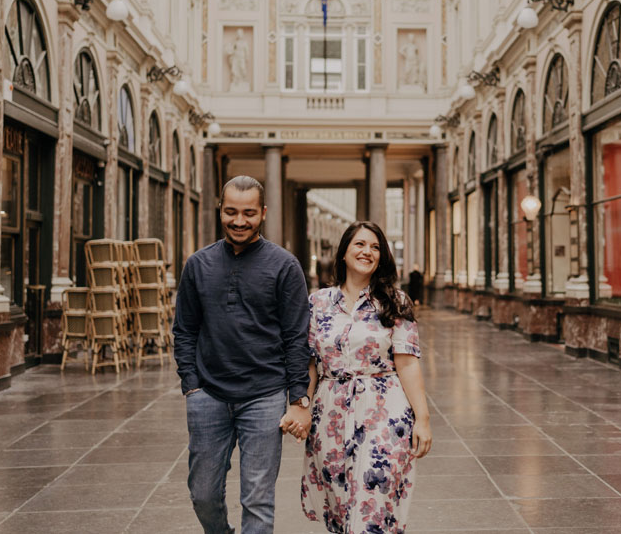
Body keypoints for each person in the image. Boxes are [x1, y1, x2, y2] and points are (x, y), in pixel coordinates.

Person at [173, 175, 312, 534]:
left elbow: (297, 337)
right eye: (231, 211)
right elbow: (185, 329)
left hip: (264, 396)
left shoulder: (284, 266)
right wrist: (191, 384)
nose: (239, 220)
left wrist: (298, 397)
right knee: (203, 493)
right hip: (208, 395)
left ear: (263, 213)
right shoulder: (198, 265)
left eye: (248, 213)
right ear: (220, 210)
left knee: (258, 500)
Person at [301, 221, 432, 533]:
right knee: (340, 505)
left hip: (383, 412)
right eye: (359, 244)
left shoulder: (395, 302)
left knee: (373, 505)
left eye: (375, 247)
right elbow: (309, 364)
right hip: (330, 414)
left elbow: (408, 363)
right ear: (344, 252)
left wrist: (423, 419)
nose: (367, 252)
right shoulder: (317, 303)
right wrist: (303, 407)